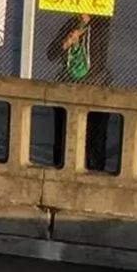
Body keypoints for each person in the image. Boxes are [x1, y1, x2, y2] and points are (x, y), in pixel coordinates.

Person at [47, 14, 112, 170]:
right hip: (68, 87)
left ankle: (95, 169)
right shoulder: (71, 24)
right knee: (64, 134)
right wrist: (67, 42)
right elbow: (51, 54)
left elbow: (106, 14)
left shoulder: (100, 25)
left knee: (95, 137)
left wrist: (86, 23)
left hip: (96, 88)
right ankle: (60, 165)